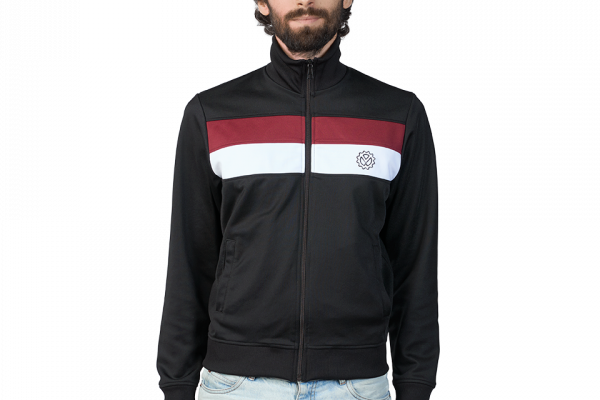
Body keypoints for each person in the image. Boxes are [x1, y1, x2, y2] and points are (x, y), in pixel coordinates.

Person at [156, 1, 439, 399]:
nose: (304, 0)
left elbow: (415, 264)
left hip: (357, 385)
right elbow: (190, 258)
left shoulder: (397, 114)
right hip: (237, 385)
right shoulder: (213, 114)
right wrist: (177, 384)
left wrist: (416, 384)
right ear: (262, 3)